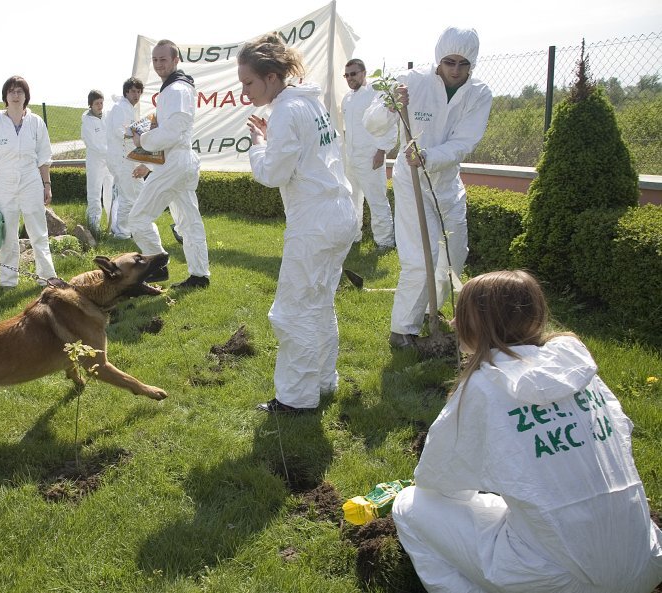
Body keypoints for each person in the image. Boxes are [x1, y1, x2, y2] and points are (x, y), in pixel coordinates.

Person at [392, 270, 662, 593]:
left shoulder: (484, 386)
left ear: (478, 325)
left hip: (559, 579)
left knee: (409, 505)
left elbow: (438, 482)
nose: (453, 324)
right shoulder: (580, 370)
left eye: (459, 317)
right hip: (642, 561)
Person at [239, 34, 358, 413]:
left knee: (292, 311)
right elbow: (304, 152)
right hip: (338, 214)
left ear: (272, 77)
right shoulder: (309, 103)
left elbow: (273, 173)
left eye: (249, 83)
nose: (245, 92)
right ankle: (323, 380)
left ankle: (295, 399)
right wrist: (271, 136)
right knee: (319, 304)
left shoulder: (288, 110)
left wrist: (258, 143)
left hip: (315, 222)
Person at [363, 27, 492, 349]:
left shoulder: (479, 93)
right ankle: (402, 330)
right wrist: (390, 107)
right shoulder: (413, 81)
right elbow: (372, 122)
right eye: (450, 62)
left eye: (464, 64)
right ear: (439, 58)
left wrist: (431, 156)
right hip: (412, 182)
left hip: (447, 182)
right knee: (421, 257)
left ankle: (430, 312)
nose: (456, 70)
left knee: (454, 255)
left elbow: (465, 141)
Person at [129, 39, 210, 289]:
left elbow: (171, 133)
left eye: (163, 59)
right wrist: (151, 164)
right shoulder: (177, 88)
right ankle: (199, 276)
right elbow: (174, 133)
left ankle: (157, 266)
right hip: (180, 162)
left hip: (176, 162)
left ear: (176, 60)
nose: (158, 64)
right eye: (154, 59)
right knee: (188, 221)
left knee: (137, 219)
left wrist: (141, 138)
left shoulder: (176, 89)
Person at [0, 75, 57, 288]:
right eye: (11, 91)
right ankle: (8, 280)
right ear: (5, 95)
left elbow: (43, 156)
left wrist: (46, 185)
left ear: (26, 96)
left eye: (19, 91)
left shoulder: (36, 122)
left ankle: (47, 277)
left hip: (31, 181)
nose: (15, 95)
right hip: (4, 183)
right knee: (8, 236)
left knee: (39, 232)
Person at [341, 58, 396, 251]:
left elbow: (389, 125)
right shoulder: (346, 99)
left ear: (364, 73)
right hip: (351, 158)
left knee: (377, 200)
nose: (350, 78)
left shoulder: (376, 94)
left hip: (371, 157)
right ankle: (355, 236)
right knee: (352, 199)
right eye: (346, 75)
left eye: (353, 74)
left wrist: (381, 151)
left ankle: (385, 241)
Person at [105, 78, 144, 239]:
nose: (137, 95)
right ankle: (121, 232)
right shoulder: (120, 108)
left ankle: (133, 228)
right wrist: (138, 132)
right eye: (133, 91)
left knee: (138, 193)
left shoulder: (129, 108)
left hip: (130, 158)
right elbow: (119, 131)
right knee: (128, 196)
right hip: (122, 159)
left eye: (139, 92)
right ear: (126, 92)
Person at [80, 89, 114, 237]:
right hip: (95, 162)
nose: (100, 106)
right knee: (94, 194)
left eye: (101, 103)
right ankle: (94, 228)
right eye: (96, 103)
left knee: (110, 193)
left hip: (110, 162)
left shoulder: (107, 117)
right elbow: (93, 144)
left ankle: (114, 226)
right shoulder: (87, 122)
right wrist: (109, 153)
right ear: (90, 105)